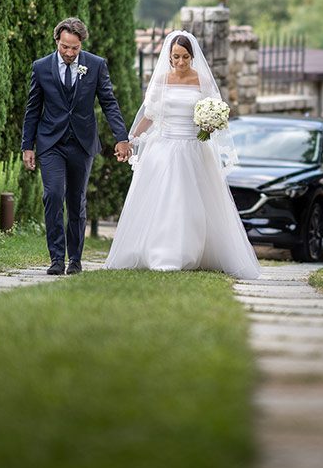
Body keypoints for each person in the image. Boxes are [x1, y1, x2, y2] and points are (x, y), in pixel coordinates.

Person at [105, 31, 261, 280]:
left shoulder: (202, 81)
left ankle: (189, 252)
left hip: (193, 148)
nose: (180, 62)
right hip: (164, 147)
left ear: (192, 56)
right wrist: (131, 139)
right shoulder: (161, 80)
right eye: (175, 57)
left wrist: (211, 124)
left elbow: (216, 110)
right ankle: (161, 253)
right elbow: (150, 114)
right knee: (165, 200)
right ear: (169, 56)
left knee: (190, 203)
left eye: (185, 57)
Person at [21, 18, 132, 275]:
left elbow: (109, 102)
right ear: (57, 41)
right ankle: (57, 259)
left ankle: (75, 260)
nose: (70, 53)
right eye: (65, 47)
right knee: (53, 195)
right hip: (51, 143)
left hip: (82, 143)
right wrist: (28, 146)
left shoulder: (95, 65)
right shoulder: (40, 68)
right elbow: (32, 109)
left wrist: (121, 137)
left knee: (76, 201)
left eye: (75, 48)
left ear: (81, 44)